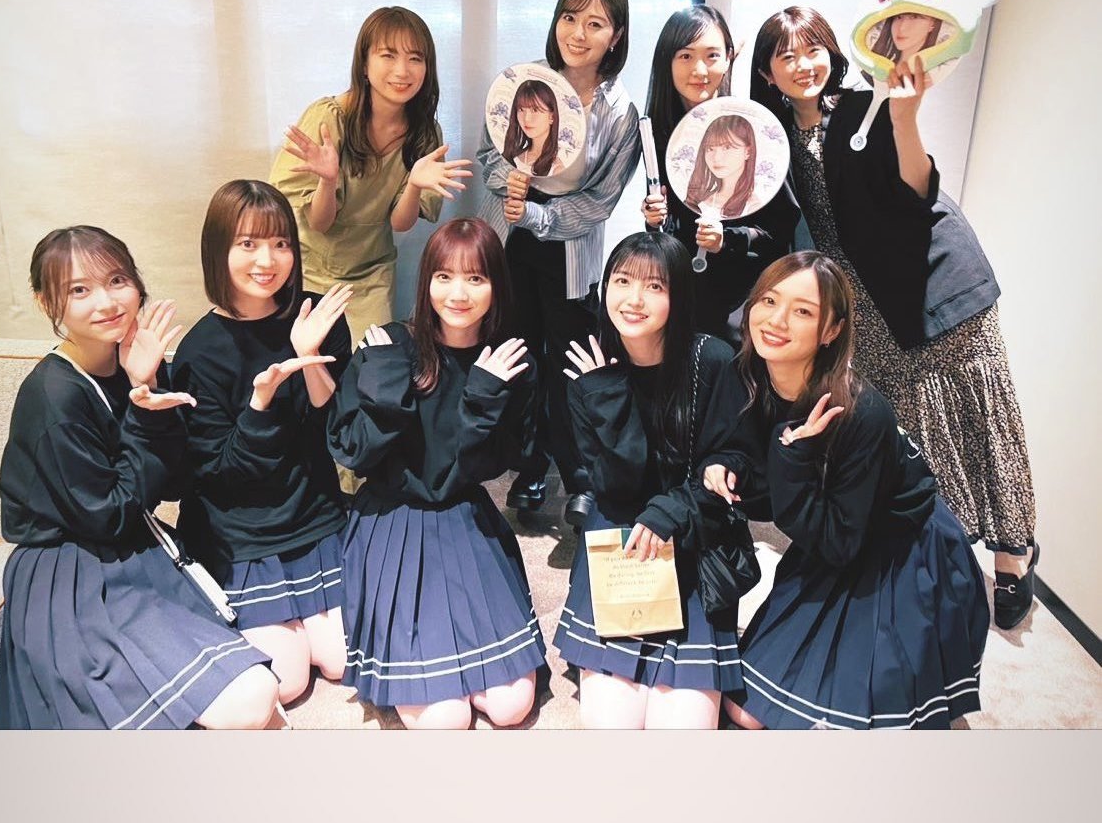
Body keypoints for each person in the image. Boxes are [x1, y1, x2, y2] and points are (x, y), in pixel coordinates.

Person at [749, 6, 1038, 628]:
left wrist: (905, 119)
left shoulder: (866, 104)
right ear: (768, 73)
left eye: (813, 49)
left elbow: (917, 186)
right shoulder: (769, 138)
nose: (803, 64)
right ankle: (937, 545)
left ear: (832, 52)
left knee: (978, 414)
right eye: (785, 55)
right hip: (862, 299)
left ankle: (1013, 552)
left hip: (933, 275)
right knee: (905, 424)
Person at [0, 226, 280, 729]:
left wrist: (145, 384)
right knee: (251, 699)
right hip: (69, 570)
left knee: (265, 690)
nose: (106, 302)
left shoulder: (132, 362)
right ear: (46, 302)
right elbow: (107, 514)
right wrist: (145, 414)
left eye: (117, 280)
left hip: (132, 546)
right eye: (79, 289)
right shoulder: (54, 396)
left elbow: (173, 484)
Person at [701, 252, 989, 729]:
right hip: (825, 533)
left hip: (898, 552)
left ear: (831, 330)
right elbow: (750, 462)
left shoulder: (861, 412)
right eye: (769, 300)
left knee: (843, 720)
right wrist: (724, 464)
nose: (777, 320)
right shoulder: (749, 373)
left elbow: (839, 542)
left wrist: (792, 457)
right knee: (744, 705)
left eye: (803, 311)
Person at [328, 217, 547, 729]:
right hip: (392, 517)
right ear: (426, 281)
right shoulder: (391, 347)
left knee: (511, 706)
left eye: (476, 278)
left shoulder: (508, 362)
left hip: (463, 514)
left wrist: (484, 396)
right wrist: (385, 382)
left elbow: (490, 465)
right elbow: (354, 452)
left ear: (496, 285)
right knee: (443, 719)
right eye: (444, 276)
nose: (458, 294)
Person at [553, 232, 746, 729]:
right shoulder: (589, 371)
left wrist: (673, 509)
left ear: (678, 295)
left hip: (692, 538)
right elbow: (613, 487)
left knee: (680, 729)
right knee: (612, 724)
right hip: (622, 538)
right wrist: (606, 397)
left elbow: (730, 463)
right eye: (622, 281)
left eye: (654, 286)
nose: (634, 299)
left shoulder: (712, 360)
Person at [170, 180, 352, 706]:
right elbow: (219, 473)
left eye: (280, 243)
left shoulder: (315, 318)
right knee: (287, 682)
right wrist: (259, 403)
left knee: (343, 662)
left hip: (315, 514)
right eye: (248, 244)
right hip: (242, 533)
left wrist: (309, 359)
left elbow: (342, 435)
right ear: (218, 250)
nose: (267, 260)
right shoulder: (200, 352)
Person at [477, 0, 641, 521]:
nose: (578, 33)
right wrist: (509, 183)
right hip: (510, 238)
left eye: (595, 23)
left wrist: (540, 214)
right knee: (515, 348)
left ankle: (580, 475)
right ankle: (527, 466)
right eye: (570, 18)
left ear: (616, 36)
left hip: (571, 247)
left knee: (572, 357)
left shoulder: (620, 111)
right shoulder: (524, 83)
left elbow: (602, 199)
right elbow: (489, 155)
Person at [269, 5, 472, 345]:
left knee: (373, 362)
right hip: (310, 268)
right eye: (388, 55)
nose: (402, 71)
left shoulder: (425, 135)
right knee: (309, 360)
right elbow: (318, 223)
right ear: (364, 63)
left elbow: (399, 223)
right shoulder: (329, 119)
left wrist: (414, 185)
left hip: (372, 272)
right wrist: (328, 180)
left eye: (415, 58)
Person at [642, 5, 797, 347]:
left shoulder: (753, 128)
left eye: (712, 55)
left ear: (729, 58)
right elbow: (670, 232)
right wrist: (655, 220)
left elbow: (781, 230)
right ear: (667, 61)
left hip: (742, 307)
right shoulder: (662, 136)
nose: (699, 69)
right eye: (685, 56)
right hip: (683, 297)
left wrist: (727, 240)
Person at [684, 115, 757, 217]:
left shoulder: (753, 207)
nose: (716, 158)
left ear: (748, 152)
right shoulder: (700, 200)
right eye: (710, 148)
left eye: (727, 147)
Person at [503, 78, 563, 177]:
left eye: (535, 110)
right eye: (521, 109)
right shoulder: (513, 157)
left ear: (552, 117)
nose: (526, 118)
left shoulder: (556, 169)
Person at [871, 10, 943, 65]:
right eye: (898, 17)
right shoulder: (877, 67)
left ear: (932, 24)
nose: (902, 27)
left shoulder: (937, 72)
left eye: (914, 17)